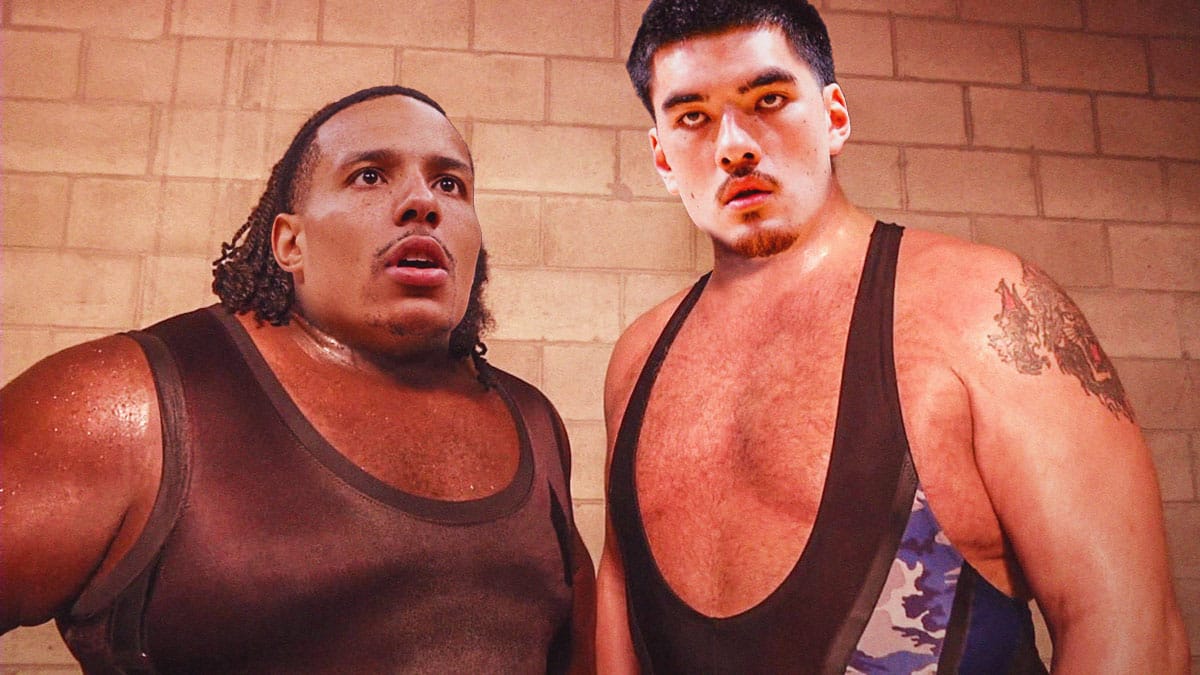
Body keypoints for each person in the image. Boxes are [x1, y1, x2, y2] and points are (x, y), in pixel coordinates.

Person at [596, 1, 1189, 673]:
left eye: (768, 99)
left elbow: (1132, 631)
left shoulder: (986, 306)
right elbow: (618, 604)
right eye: (692, 117)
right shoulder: (638, 358)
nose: (734, 144)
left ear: (834, 117)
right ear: (661, 157)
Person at [1, 85, 595, 673]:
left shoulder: (532, 420)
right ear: (290, 242)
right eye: (369, 176)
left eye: (450, 184)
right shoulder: (126, 400)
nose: (423, 202)